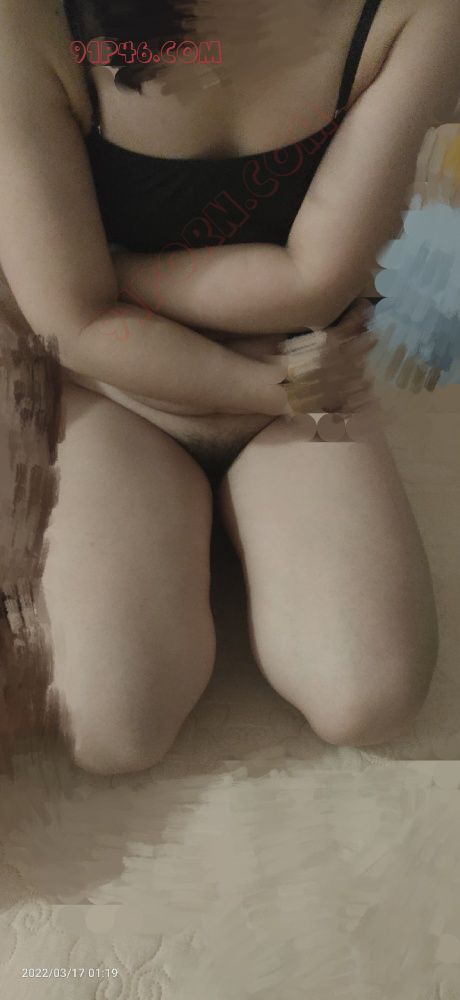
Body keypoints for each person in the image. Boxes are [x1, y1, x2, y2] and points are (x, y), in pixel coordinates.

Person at [0, 0, 458, 775]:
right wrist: (266, 387)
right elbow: (71, 326)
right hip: (115, 386)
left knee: (370, 697)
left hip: (298, 365)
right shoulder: (28, 16)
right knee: (110, 729)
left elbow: (314, 282)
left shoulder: (421, 10)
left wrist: (104, 277)